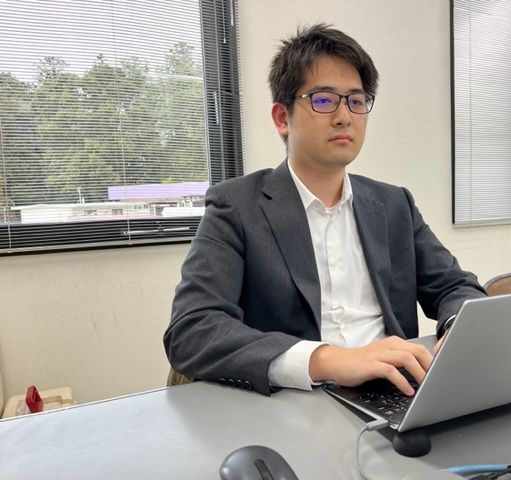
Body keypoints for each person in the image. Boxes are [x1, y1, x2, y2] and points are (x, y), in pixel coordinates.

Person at [164, 24, 485, 397]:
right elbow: (193, 329)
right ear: (282, 118)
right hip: (298, 401)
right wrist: (326, 359)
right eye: (323, 100)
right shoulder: (236, 206)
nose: (344, 116)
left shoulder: (394, 204)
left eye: (356, 101)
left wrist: (459, 329)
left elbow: (457, 287)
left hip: (398, 394)